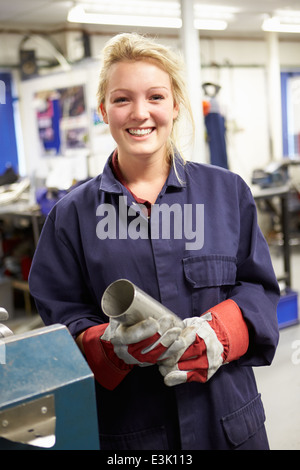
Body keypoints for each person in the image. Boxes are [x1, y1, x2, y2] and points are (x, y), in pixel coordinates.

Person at [29, 32, 280, 451]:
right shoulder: (70, 216)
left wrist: (220, 333)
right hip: (132, 433)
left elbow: (258, 288)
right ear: (102, 110)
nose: (140, 113)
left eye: (156, 97)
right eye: (122, 99)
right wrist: (108, 348)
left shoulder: (227, 192)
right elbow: (61, 321)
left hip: (228, 426)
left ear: (176, 105)